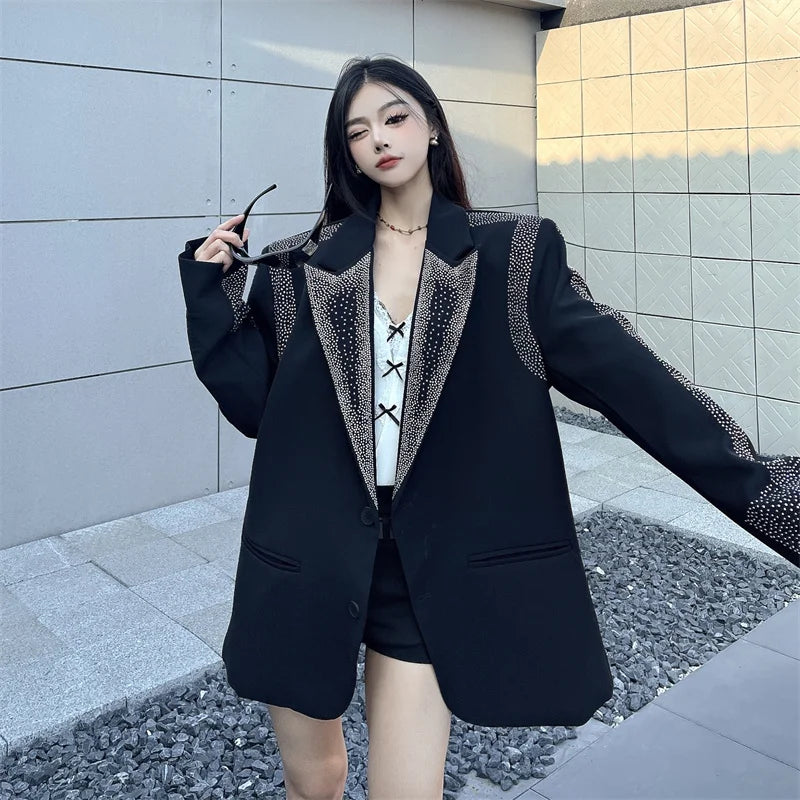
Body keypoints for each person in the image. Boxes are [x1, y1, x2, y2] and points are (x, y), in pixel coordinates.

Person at [178, 54, 800, 800]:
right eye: (358, 131)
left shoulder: (514, 255)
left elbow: (634, 382)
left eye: (395, 117)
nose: (379, 138)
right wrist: (210, 291)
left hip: (426, 569)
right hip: (304, 558)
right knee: (315, 781)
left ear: (433, 127)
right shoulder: (298, 267)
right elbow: (255, 409)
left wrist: (765, 491)